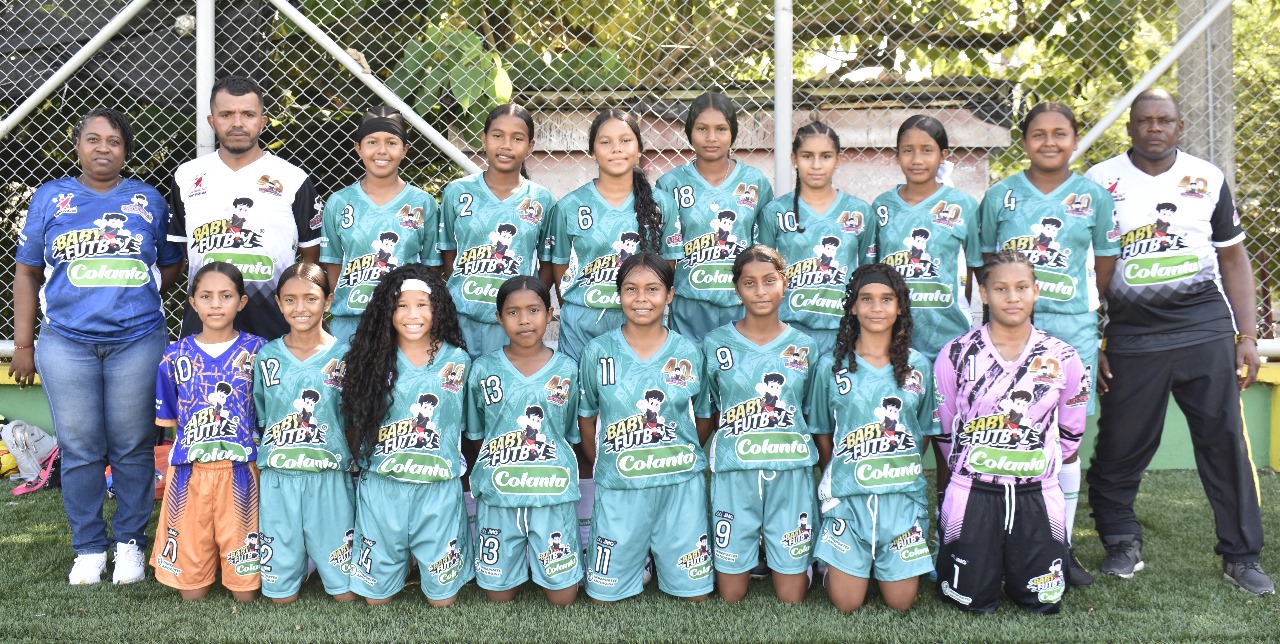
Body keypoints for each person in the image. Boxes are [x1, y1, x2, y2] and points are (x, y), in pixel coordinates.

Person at [1083, 89, 1274, 595]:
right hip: (1131, 333)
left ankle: (1242, 555)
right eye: (1144, 120)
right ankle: (1121, 540)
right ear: (1130, 127)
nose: (1154, 128)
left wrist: (1247, 335)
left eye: (1164, 120)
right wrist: (1094, 338)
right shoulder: (1099, 181)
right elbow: (1086, 265)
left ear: (1179, 126)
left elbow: (1233, 260)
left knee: (1224, 443)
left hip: (1203, 327)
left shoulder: (1207, 178)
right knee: (1121, 445)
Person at [10, 107, 183, 586]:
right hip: (66, 340)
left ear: (125, 150)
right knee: (80, 445)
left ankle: (129, 543)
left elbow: (169, 266)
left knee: (132, 445)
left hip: (137, 339)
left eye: (113, 141)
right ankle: (88, 547)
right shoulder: (51, 198)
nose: (103, 148)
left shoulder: (149, 200)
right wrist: (24, 344)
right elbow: (27, 272)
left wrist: (129, 291)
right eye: (93, 139)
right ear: (78, 145)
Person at [977, 102, 1119, 585]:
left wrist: (1091, 319)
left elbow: (1104, 264)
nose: (1050, 142)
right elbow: (986, 266)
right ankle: (1003, 536)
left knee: (1065, 441)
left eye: (1060, 134)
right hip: (1012, 332)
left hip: (1072, 329)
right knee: (1006, 429)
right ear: (1024, 142)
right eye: (1039, 134)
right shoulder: (1000, 196)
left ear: (1075, 140)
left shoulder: (1094, 197)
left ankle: (1060, 545)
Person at [933, 251, 1088, 614]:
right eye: (1001, 288)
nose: (1012, 297)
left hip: (1036, 491)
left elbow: (1072, 427)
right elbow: (945, 427)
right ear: (984, 294)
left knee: (1043, 599)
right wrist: (975, 467)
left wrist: (1033, 463)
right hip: (974, 491)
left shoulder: (1062, 356)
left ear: (1036, 291)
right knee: (969, 600)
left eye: (1021, 288)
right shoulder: (956, 353)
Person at [578, 253, 712, 603]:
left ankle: (660, 555)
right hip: (622, 483)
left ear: (669, 295)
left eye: (653, 289)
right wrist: (605, 462)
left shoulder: (689, 351)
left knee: (695, 595)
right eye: (631, 289)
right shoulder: (597, 351)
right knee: (603, 596)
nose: (641, 298)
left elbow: (704, 416)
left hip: (679, 482)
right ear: (618, 294)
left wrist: (675, 451)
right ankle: (638, 556)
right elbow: (587, 416)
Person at [340, 265, 475, 605]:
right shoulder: (370, 361)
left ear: (438, 308)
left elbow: (467, 427)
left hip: (438, 488)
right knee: (375, 599)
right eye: (401, 305)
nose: (412, 314)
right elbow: (354, 425)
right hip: (385, 486)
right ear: (387, 310)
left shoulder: (458, 361)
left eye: (422, 305)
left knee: (442, 599)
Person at [809, 263, 938, 612]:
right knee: (846, 603)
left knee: (900, 603)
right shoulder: (831, 367)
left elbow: (921, 432)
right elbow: (822, 431)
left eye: (886, 299)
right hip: (849, 500)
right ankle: (834, 564)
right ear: (852, 306)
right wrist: (839, 473)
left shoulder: (919, 366)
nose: (876, 308)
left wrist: (892, 464)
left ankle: (879, 563)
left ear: (900, 307)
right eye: (866, 299)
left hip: (901, 499)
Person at [698, 244, 819, 604]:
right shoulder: (715, 343)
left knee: (791, 597)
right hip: (736, 470)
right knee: (731, 594)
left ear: (785, 283)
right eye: (749, 283)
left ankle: (796, 558)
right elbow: (708, 410)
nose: (760, 291)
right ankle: (749, 553)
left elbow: (812, 414)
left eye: (769, 281)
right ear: (737, 288)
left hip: (790, 469)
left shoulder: (805, 346)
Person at [169, 75, 324, 340]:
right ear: (212, 121)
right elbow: (185, 250)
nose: (238, 123)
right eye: (227, 114)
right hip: (204, 330)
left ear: (262, 122)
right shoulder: (186, 176)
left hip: (274, 329)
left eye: (248, 114)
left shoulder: (293, 179)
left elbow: (311, 258)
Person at [151, 262, 268, 601]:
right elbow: (171, 423)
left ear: (241, 302)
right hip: (190, 473)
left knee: (246, 592)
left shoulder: (260, 352)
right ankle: (195, 566)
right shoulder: (173, 357)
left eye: (226, 295)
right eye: (207, 296)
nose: (216, 304)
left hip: (242, 471)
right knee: (192, 591)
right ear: (192, 303)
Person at [465, 277, 582, 605]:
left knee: (564, 597)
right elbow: (477, 436)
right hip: (501, 493)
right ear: (499, 318)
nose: (524, 320)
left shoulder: (568, 370)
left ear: (550, 314)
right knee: (498, 595)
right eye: (513, 312)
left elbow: (570, 435)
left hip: (552, 491)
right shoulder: (483, 370)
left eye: (534, 310)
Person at [251, 262, 356, 603]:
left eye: (310, 299)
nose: (301, 308)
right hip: (279, 478)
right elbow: (264, 417)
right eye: (290, 300)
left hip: (328, 478)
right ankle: (292, 566)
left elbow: (352, 419)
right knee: (279, 595)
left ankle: (323, 562)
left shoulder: (345, 356)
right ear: (279, 303)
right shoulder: (267, 357)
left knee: (345, 592)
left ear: (327, 302)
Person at [546, 109, 678, 360]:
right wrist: (581, 305)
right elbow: (560, 269)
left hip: (640, 320)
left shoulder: (662, 204)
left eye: (625, 141)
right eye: (605, 142)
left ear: (639, 148)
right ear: (592, 151)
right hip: (583, 322)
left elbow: (667, 267)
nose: (616, 149)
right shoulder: (570, 206)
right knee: (583, 395)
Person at [440, 104, 557, 359]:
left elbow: (547, 262)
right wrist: (463, 290)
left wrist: (525, 299)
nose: (506, 145)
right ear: (483, 139)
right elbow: (448, 251)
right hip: (462, 315)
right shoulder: (457, 193)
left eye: (517, 138)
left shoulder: (541, 200)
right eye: (497, 136)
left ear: (530, 146)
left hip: (513, 322)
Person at [657, 92, 775, 342]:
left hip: (742, 304)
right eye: (702, 129)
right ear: (689, 132)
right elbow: (663, 254)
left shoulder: (755, 183)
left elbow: (766, 250)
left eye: (721, 129)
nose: (711, 138)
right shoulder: (669, 184)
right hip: (690, 304)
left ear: (733, 132)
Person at [320, 106, 441, 344]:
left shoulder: (422, 203)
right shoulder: (339, 201)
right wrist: (342, 303)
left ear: (405, 150)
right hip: (351, 320)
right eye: (372, 142)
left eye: (392, 142)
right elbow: (332, 262)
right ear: (358, 148)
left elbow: (431, 268)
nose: (382, 151)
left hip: (403, 321)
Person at [869, 115, 981, 361]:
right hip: (892, 337)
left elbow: (976, 266)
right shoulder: (881, 206)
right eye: (908, 150)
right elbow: (872, 271)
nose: (917, 159)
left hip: (948, 335)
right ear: (897, 155)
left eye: (927, 150)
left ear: (943, 155)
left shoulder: (963, 206)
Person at [757, 121, 873, 356]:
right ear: (794, 159)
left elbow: (871, 276)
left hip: (844, 331)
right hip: (790, 331)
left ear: (838, 160)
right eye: (808, 156)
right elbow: (762, 276)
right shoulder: (775, 212)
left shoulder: (859, 212)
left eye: (826, 156)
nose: (816, 165)